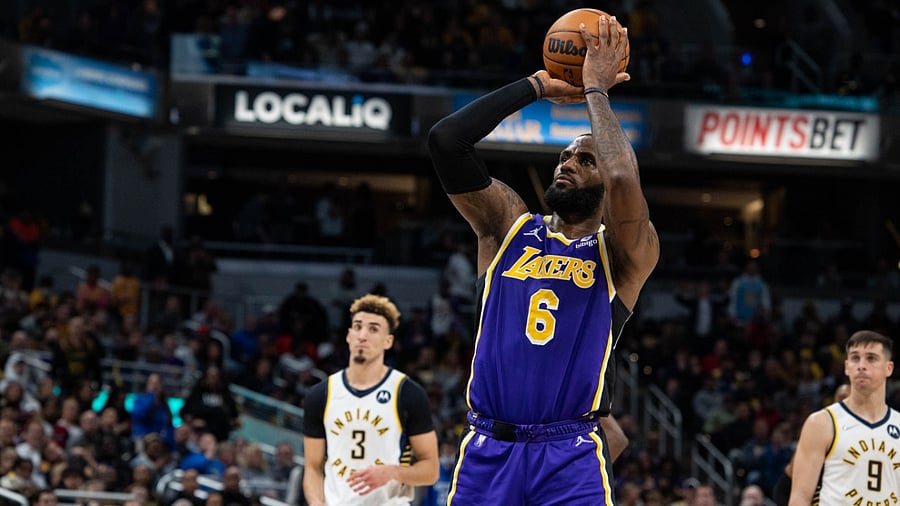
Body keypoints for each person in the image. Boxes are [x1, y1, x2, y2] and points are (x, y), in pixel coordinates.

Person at [427, 14, 657, 505]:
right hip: (489, 448)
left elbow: (621, 179)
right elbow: (447, 142)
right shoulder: (509, 226)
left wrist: (596, 90)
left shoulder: (622, 253)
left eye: (584, 159)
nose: (568, 163)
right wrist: (536, 85)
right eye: (565, 157)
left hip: (570, 452)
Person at [302, 293, 439, 506]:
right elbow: (313, 467)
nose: (362, 335)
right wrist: (316, 502)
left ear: (388, 341)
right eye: (357, 327)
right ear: (348, 335)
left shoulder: (408, 393)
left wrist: (392, 472)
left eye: (373, 329)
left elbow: (431, 470)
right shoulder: (321, 394)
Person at [789, 330, 900, 506]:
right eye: (855, 358)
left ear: (889, 368)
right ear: (847, 366)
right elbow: (800, 498)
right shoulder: (821, 423)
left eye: (871, 358)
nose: (862, 365)